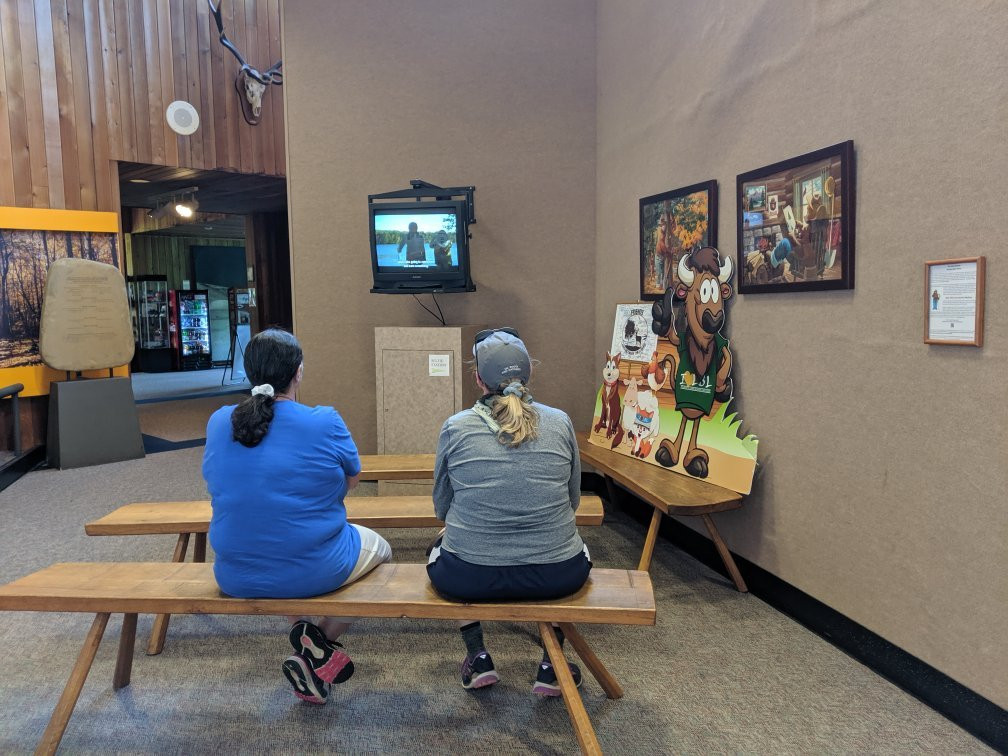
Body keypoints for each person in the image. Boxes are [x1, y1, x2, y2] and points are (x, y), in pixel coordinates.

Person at [202, 328, 392, 706]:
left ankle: (307, 642)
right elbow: (353, 479)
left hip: (235, 572)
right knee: (384, 553)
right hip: (316, 567)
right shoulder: (324, 420)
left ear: (249, 372)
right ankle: (318, 644)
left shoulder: (219, 421)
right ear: (298, 372)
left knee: (276, 546)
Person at [427, 328, 591, 696]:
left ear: (477, 379)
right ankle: (551, 665)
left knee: (439, 546)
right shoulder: (560, 422)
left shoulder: (455, 427)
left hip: (469, 576)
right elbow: (573, 500)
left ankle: (478, 656)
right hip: (558, 573)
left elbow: (441, 508)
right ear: (530, 373)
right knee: (577, 545)